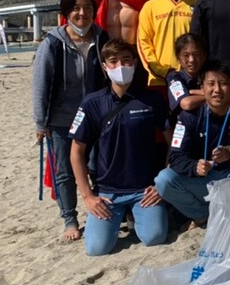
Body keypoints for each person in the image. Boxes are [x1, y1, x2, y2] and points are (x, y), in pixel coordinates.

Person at [69, 39, 170, 256]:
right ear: (105, 67)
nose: (120, 66)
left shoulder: (152, 99)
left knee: (155, 237)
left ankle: (134, 216)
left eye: (126, 60)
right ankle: (123, 216)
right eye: (113, 61)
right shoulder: (92, 103)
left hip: (144, 190)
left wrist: (162, 184)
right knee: (96, 249)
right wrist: (87, 196)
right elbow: (76, 151)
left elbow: (174, 143)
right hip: (108, 193)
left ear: (135, 63)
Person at [155, 61, 230, 226]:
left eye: (223, 83)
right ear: (202, 89)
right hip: (205, 180)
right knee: (163, 180)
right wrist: (195, 167)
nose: (217, 90)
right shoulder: (188, 116)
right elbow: (176, 157)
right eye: (211, 84)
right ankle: (203, 215)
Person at [32, 0, 109, 242]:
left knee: (97, 166)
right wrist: (40, 123)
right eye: (76, 8)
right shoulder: (53, 43)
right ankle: (70, 219)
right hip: (62, 118)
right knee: (64, 172)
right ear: (66, 13)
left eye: (87, 8)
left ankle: (102, 209)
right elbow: (41, 84)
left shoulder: (101, 38)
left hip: (95, 118)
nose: (82, 13)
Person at [137, 0, 197, 91]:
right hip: (159, 81)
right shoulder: (150, 6)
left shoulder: (198, 5)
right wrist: (161, 71)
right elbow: (143, 43)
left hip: (192, 79)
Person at [166, 33, 208, 120]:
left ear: (204, 56)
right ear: (178, 59)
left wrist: (194, 93)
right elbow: (186, 104)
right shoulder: (174, 77)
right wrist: (210, 96)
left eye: (196, 54)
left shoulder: (211, 74)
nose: (191, 60)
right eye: (186, 55)